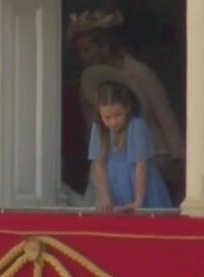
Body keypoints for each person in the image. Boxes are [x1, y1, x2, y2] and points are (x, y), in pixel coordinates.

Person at [67, 9, 185, 205]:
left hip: (154, 156)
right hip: (110, 161)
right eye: (79, 51)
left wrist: (182, 167)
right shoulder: (90, 83)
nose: (82, 56)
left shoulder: (139, 73)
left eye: (87, 49)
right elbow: (93, 129)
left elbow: (167, 121)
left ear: (104, 46)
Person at [87, 78, 172, 213]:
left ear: (127, 108)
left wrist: (138, 201)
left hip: (139, 184)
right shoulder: (99, 129)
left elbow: (140, 165)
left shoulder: (136, 125)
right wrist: (104, 196)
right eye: (107, 117)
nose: (113, 122)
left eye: (118, 115)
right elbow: (99, 164)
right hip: (114, 183)